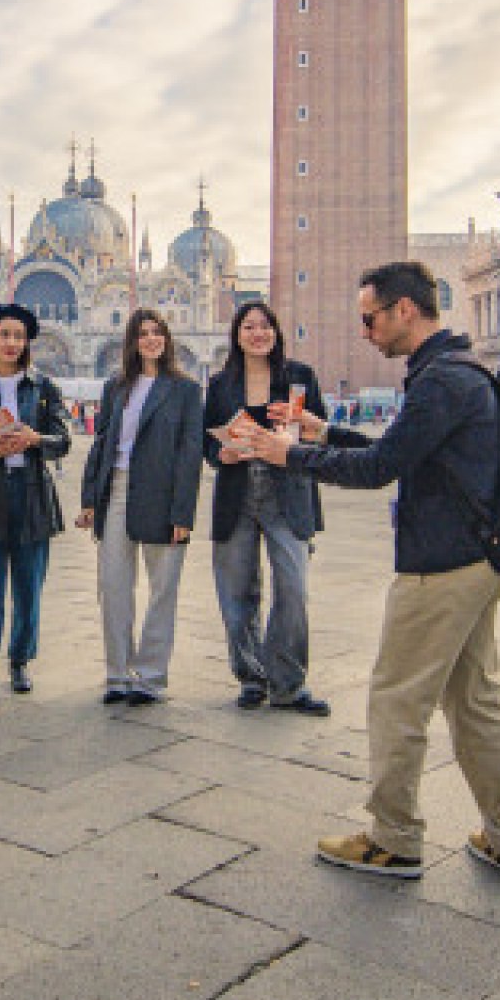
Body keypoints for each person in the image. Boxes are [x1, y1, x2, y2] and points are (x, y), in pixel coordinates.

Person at [231, 261, 500, 885]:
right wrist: (326, 431)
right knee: (476, 702)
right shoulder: (458, 371)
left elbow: (378, 470)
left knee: (397, 698)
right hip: (477, 558)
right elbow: (398, 451)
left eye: (369, 318)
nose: (365, 331)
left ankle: (393, 838)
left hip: (441, 565)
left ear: (403, 311)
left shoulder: (440, 381)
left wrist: (290, 453)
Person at [202, 301, 331, 716]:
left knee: (293, 589)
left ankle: (288, 684)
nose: (258, 333)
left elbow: (320, 432)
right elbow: (206, 443)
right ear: (236, 335)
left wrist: (298, 433)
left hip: (287, 492)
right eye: (249, 327)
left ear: (276, 333)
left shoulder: (299, 377)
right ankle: (252, 677)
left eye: (265, 326)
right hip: (237, 493)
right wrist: (221, 454)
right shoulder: (221, 384)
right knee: (237, 592)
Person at [77, 309, 203, 706]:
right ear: (131, 342)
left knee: (163, 589)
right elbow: (102, 443)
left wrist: (183, 514)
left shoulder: (184, 389)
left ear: (166, 339)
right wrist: (89, 499)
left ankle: (149, 677)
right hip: (115, 489)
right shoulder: (118, 386)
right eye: (143, 333)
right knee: (113, 587)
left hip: (162, 494)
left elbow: (189, 454)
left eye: (157, 332)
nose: (151, 339)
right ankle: (117, 674)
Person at [0, 303, 71, 709]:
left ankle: (19, 661)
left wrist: (34, 440)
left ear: (27, 343)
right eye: (4, 334)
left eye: (18, 336)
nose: (11, 343)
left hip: (33, 492)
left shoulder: (44, 388)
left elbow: (64, 439)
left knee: (28, 590)